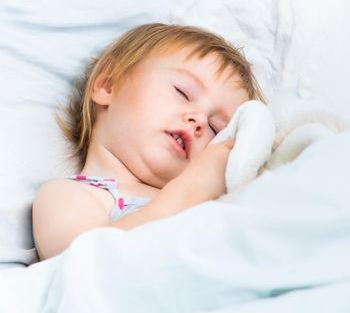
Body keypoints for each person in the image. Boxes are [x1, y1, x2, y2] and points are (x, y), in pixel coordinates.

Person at [32, 23, 265, 260]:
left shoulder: (216, 199)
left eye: (216, 130)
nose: (199, 121)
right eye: (182, 92)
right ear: (108, 83)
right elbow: (78, 266)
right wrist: (190, 191)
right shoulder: (69, 195)